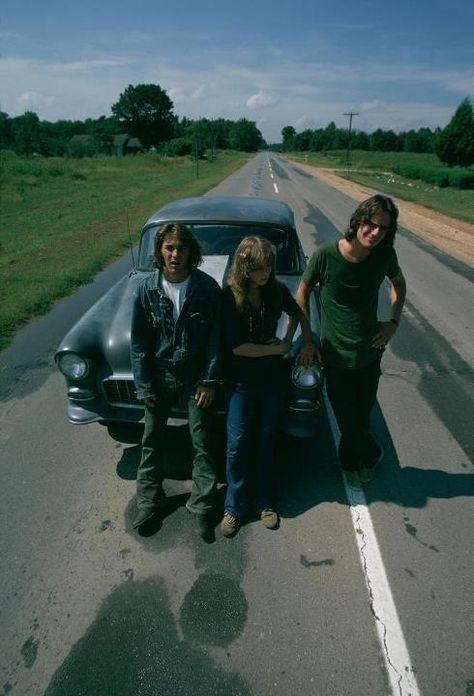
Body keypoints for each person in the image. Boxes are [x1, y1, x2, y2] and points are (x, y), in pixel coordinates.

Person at [296, 194, 407, 490]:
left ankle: (353, 462)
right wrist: (308, 341)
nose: (375, 233)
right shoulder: (325, 256)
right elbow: (302, 294)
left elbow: (399, 284)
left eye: (383, 229)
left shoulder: (384, 256)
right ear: (358, 222)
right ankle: (368, 455)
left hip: (370, 354)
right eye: (371, 224)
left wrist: (393, 323)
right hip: (335, 356)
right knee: (348, 420)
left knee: (360, 416)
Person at [130, 222, 222, 540]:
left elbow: (215, 339)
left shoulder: (207, 288)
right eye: (169, 248)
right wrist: (144, 386)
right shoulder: (146, 290)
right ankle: (149, 502)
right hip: (159, 376)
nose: (175, 254)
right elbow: (139, 343)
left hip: (196, 378)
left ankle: (202, 507)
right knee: (151, 441)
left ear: (191, 252)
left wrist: (209, 381)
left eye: (181, 248)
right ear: (159, 252)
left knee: (202, 443)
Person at [220, 236, 314, 537]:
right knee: (237, 445)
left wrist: (290, 340)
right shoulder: (230, 296)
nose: (265, 273)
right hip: (241, 382)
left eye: (269, 267)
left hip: (271, 380)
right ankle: (234, 507)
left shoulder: (275, 290)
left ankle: (264, 502)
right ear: (245, 266)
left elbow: (297, 311)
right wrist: (277, 349)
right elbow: (237, 347)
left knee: (266, 441)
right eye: (259, 268)